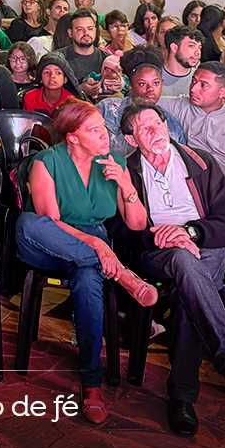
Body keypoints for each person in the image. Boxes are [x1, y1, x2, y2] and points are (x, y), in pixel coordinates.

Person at [16, 99, 156, 423]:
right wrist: (96, 244)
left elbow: (136, 224)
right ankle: (123, 275)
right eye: (94, 130)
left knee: (89, 276)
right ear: (73, 137)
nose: (104, 135)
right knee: (28, 223)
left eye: (103, 128)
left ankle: (91, 384)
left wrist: (125, 184)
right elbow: (49, 220)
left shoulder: (114, 162)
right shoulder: (46, 161)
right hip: (50, 241)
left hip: (92, 253)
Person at [114, 102, 225, 437]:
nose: (155, 131)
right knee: (183, 262)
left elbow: (224, 219)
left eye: (157, 123)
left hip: (207, 249)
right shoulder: (126, 171)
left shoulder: (202, 163)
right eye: (144, 128)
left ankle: (182, 398)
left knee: (188, 293)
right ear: (132, 139)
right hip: (157, 253)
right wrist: (159, 236)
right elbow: (120, 232)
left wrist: (190, 231)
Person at [158, 62, 225, 173]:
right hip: (188, 173)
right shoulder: (182, 106)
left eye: (203, 85)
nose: (193, 89)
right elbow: (149, 101)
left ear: (223, 92)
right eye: (194, 81)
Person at [160, 26, 202, 99]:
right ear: (174, 48)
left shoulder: (201, 79)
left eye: (199, 47)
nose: (198, 52)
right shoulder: (153, 76)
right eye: (191, 46)